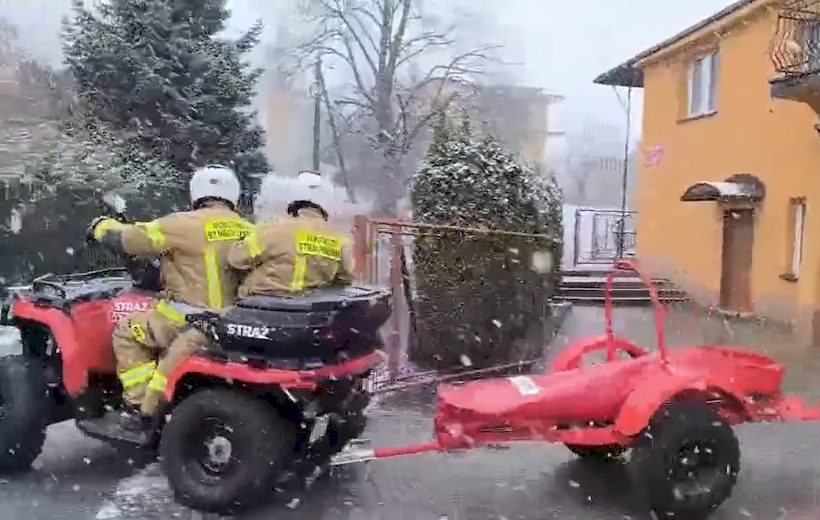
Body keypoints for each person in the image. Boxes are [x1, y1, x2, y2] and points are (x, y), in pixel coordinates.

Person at [86, 165, 252, 441]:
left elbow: (130, 240)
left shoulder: (179, 224)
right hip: (233, 321)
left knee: (128, 332)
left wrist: (102, 227)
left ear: (197, 192)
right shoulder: (248, 228)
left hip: (186, 321)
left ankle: (139, 408)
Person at [229, 171, 354, 297]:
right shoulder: (339, 240)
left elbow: (237, 258)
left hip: (266, 306)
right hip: (311, 310)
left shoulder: (275, 229)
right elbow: (345, 278)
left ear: (294, 202)